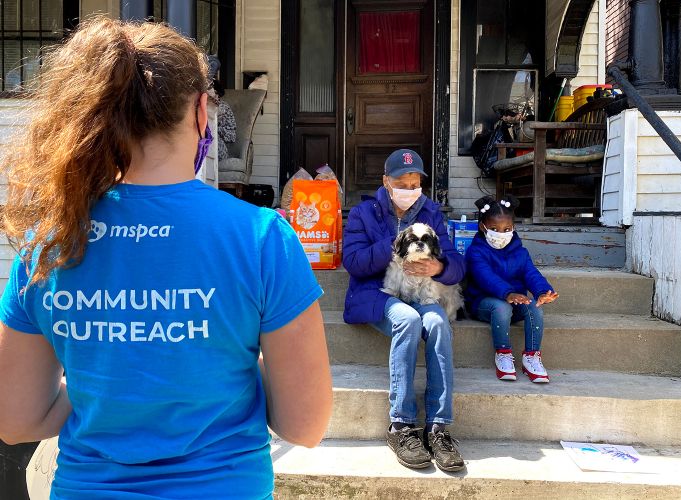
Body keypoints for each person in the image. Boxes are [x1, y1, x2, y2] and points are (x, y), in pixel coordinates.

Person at [0, 18, 332, 499]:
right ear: (202, 113)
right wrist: (220, 361)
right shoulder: (262, 238)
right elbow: (305, 425)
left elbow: (16, 420)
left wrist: (106, 375)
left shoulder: (47, 243)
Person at [343, 149, 466, 472]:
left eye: (414, 183)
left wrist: (439, 266)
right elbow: (353, 263)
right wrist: (395, 244)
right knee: (408, 319)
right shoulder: (363, 213)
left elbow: (457, 266)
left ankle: (439, 427)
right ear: (386, 181)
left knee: (438, 323)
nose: (409, 189)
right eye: (402, 182)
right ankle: (402, 425)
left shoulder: (433, 213)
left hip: (424, 292)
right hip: (377, 293)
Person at [464, 195, 559, 383]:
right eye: (494, 229)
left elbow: (531, 273)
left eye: (506, 229)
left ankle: (531, 356)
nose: (501, 234)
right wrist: (507, 293)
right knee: (502, 307)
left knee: (534, 307)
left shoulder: (520, 252)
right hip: (482, 303)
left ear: (513, 228)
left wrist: (542, 292)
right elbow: (486, 278)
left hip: (515, 300)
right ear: (482, 226)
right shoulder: (476, 252)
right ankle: (503, 353)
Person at [211, 78, 238, 162]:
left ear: (216, 93)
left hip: (219, 149)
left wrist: (215, 128)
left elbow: (231, 136)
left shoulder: (222, 107)